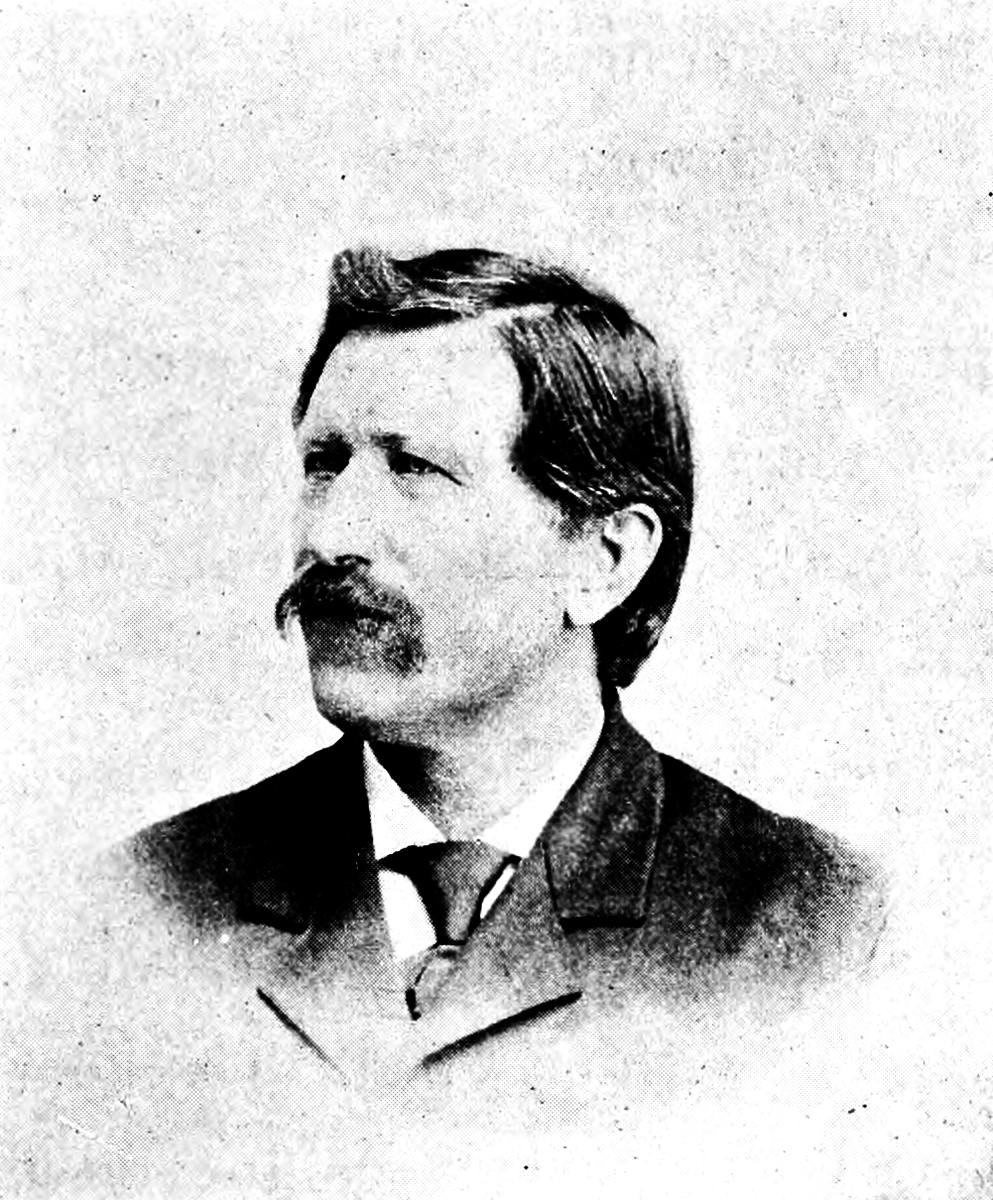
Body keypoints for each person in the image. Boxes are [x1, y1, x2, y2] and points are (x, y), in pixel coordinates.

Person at [21, 247, 888, 1195]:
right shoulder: (142, 907)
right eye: (323, 465)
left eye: (415, 469)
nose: (330, 535)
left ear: (603, 560)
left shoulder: (815, 929)